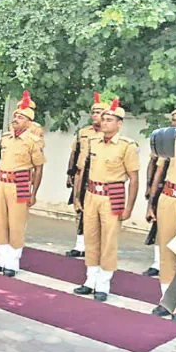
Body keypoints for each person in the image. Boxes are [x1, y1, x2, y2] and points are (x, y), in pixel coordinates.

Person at [72, 98, 139, 302]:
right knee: (91, 239)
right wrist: (77, 197)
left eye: (109, 119)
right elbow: (82, 172)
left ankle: (104, 284)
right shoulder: (93, 143)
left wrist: (129, 208)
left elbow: (134, 178)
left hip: (112, 196)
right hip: (92, 195)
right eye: (103, 119)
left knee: (108, 241)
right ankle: (90, 281)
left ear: (119, 123)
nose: (104, 122)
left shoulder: (127, 146)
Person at [0, 91, 46, 278]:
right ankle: (1, 260)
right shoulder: (5, 138)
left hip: (19, 184)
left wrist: (34, 193)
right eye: (15, 116)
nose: (16, 119)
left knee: (16, 223)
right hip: (2, 183)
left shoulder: (33, 141)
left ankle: (13, 262)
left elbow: (39, 168)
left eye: (21, 117)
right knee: (1, 222)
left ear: (29, 121)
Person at [146, 108, 176, 315]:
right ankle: (167, 302)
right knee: (167, 250)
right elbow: (159, 171)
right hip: (168, 197)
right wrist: (151, 203)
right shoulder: (169, 139)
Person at [65, 93, 106, 258]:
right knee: (80, 210)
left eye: (99, 111)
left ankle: (94, 246)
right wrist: (70, 174)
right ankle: (79, 245)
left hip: (99, 179)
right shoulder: (83, 132)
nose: (95, 114)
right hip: (82, 176)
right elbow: (74, 153)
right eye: (94, 112)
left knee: (97, 214)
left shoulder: (107, 134)